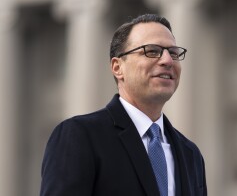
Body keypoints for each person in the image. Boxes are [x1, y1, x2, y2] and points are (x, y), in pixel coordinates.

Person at [40, 14, 207, 196]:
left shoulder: (191, 154)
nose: (167, 60)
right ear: (118, 67)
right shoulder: (80, 136)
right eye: (151, 51)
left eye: (173, 53)